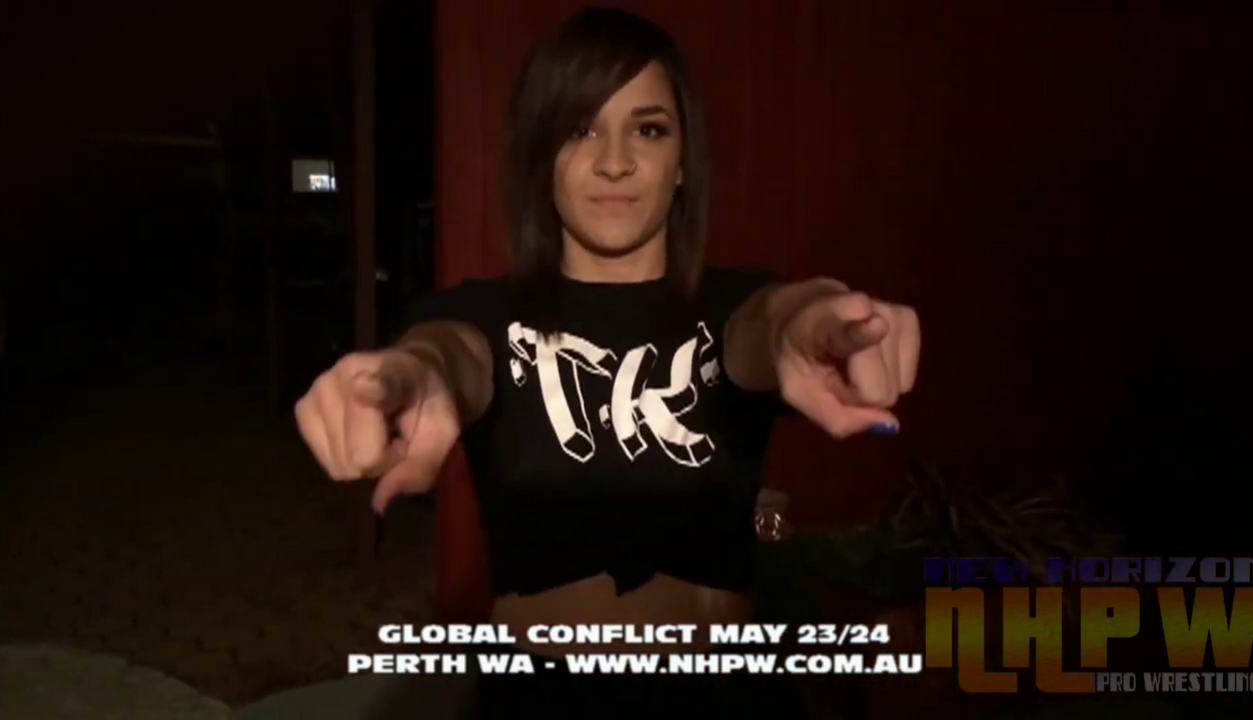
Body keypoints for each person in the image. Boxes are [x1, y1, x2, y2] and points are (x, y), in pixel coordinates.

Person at [292, 6, 919, 718]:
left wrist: (816, 316)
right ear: (541, 158)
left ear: (682, 164)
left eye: (648, 129)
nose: (615, 161)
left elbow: (772, 324)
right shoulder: (483, 316)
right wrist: (410, 377)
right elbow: (449, 354)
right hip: (546, 699)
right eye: (579, 129)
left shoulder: (734, 309)